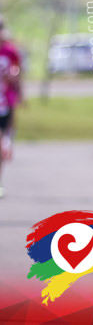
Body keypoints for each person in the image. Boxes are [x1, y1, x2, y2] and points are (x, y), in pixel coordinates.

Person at [0, 17, 22, 198]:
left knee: (2, 145)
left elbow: (17, 74)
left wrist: (17, 89)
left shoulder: (9, 51)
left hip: (4, 103)